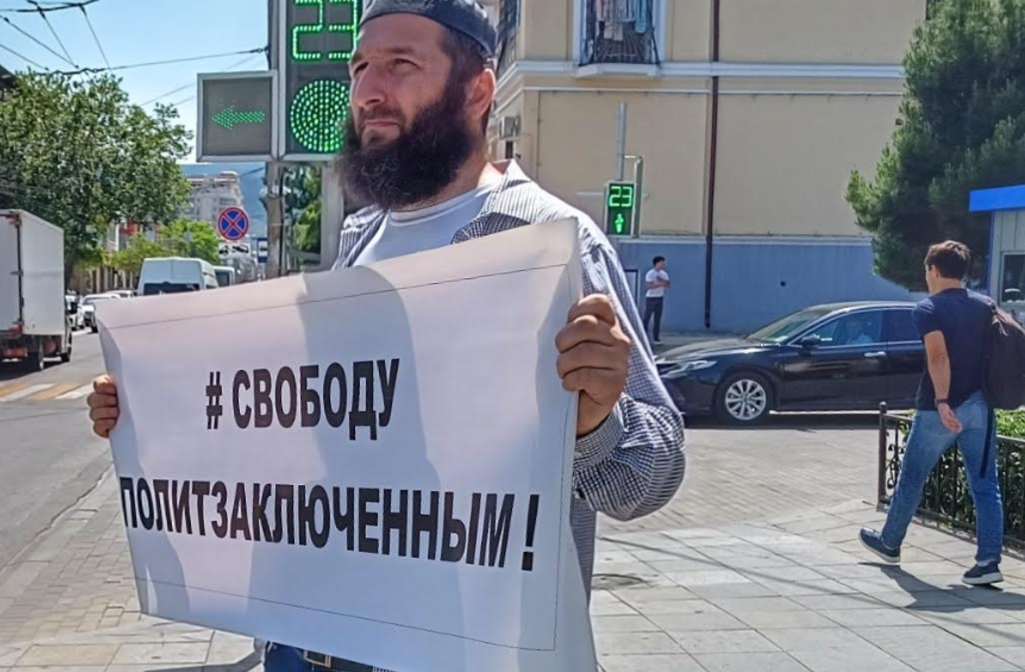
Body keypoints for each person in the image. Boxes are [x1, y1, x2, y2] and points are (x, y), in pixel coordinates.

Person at [88, 0, 686, 668]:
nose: (368, 91)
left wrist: (595, 418)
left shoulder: (547, 243)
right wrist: (150, 409)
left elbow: (649, 478)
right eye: (360, 68)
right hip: (310, 643)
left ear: (477, 90)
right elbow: (293, 422)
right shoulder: (357, 242)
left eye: (401, 64)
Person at [860, 241, 1003, 586]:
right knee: (986, 485)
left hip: (939, 408)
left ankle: (890, 543)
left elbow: (938, 357)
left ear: (934, 270)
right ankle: (988, 562)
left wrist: (942, 401)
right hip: (981, 404)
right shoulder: (985, 306)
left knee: (913, 476)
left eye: (926, 270)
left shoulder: (928, 309)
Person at [643, 256, 668, 344]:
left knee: (657, 318)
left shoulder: (664, 274)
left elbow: (668, 284)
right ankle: (644, 336)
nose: (663, 265)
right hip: (651, 298)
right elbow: (649, 286)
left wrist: (659, 282)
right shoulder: (650, 273)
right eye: (661, 263)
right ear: (656, 263)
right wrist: (661, 283)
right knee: (647, 317)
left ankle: (656, 338)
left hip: (660, 297)